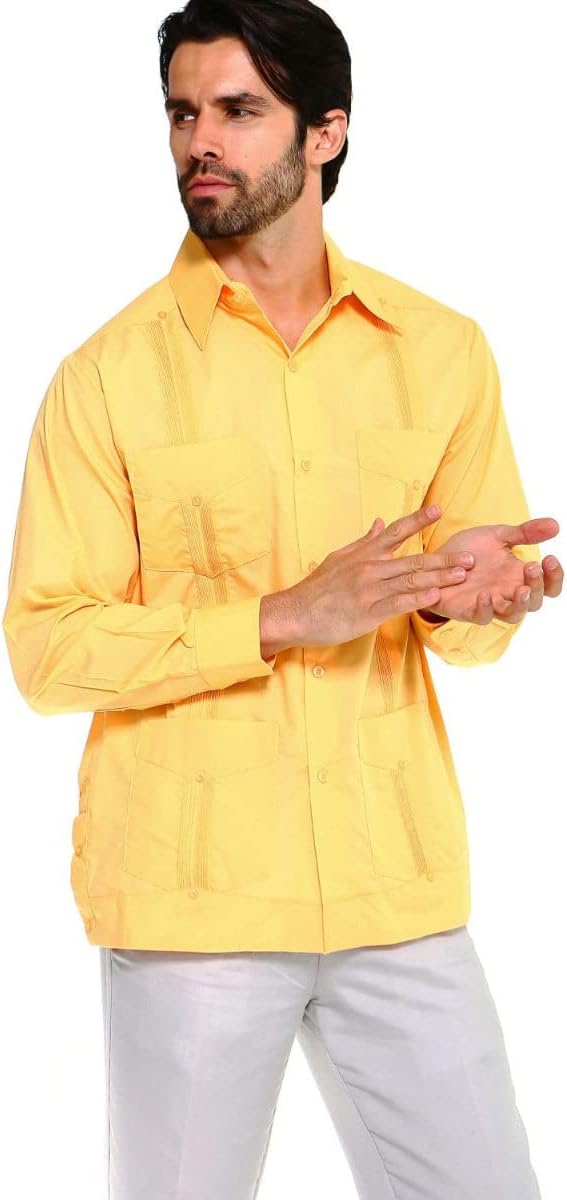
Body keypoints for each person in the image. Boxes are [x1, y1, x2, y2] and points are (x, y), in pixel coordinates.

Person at [2, 1, 562, 1197]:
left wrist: (469, 603)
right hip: (193, 906)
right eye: (182, 112)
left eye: (239, 110)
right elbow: (47, 648)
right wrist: (279, 617)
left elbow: (463, 638)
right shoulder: (104, 380)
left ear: (325, 133)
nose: (199, 140)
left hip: (394, 885)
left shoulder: (441, 350)